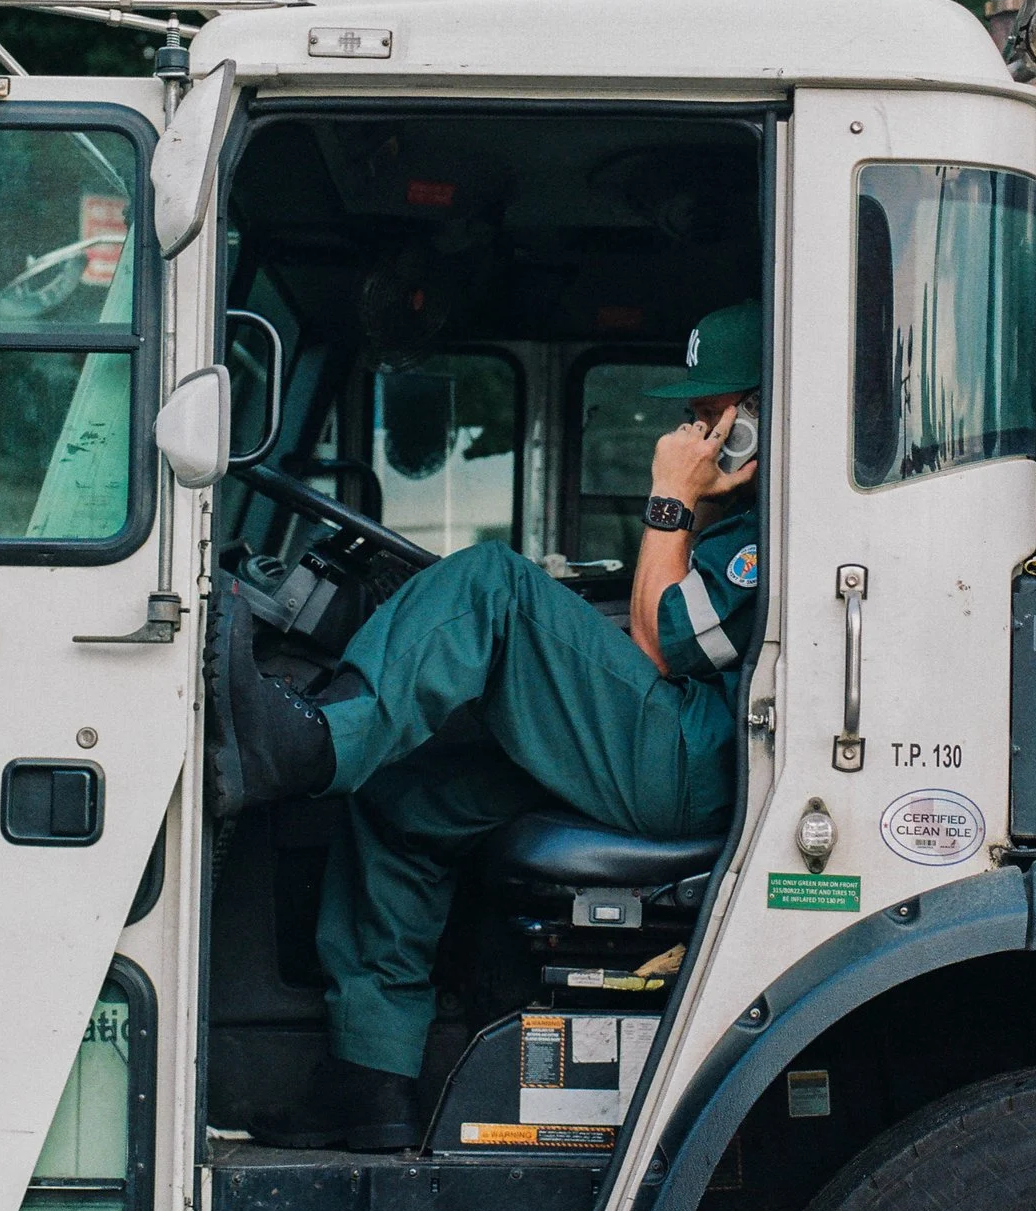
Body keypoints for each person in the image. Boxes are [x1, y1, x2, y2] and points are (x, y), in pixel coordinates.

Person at [208, 300, 764, 1150]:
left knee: (491, 585)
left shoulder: (771, 530)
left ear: (758, 419)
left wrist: (669, 497)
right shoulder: (747, 521)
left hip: (703, 761)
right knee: (402, 799)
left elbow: (658, 638)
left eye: (708, 415)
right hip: (682, 746)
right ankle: (368, 1077)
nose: (692, 434)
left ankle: (313, 741)